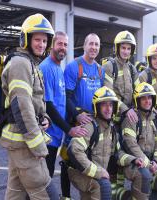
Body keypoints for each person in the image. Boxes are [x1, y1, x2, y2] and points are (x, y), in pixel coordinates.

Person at [0, 13, 58, 199]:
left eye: (44, 40)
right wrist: (38, 147)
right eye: (37, 39)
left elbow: (35, 102)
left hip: (20, 141)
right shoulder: (20, 64)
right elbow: (22, 108)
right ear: (26, 39)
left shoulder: (31, 63)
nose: (41, 44)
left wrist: (45, 117)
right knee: (46, 192)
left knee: (16, 192)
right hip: (25, 143)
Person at [39, 31, 88, 199]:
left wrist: (76, 116)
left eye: (66, 44)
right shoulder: (46, 68)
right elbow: (49, 106)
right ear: (52, 45)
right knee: (42, 180)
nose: (63, 47)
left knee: (46, 176)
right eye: (60, 43)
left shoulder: (58, 69)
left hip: (54, 137)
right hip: (46, 137)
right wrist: (69, 130)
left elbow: (62, 101)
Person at [66, 86, 136, 200]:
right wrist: (97, 172)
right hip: (79, 172)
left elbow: (118, 154)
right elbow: (73, 150)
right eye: (104, 105)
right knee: (102, 185)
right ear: (96, 107)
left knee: (102, 187)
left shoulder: (111, 128)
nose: (108, 109)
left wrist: (133, 159)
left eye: (110, 105)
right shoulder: (90, 126)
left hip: (94, 174)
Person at [61, 33, 104, 197]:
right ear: (84, 46)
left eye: (97, 45)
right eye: (91, 44)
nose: (94, 47)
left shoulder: (100, 70)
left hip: (93, 124)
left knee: (88, 159)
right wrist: (77, 115)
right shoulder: (74, 66)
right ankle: (65, 195)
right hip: (75, 122)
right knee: (68, 160)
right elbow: (66, 97)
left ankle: (86, 194)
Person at [120, 82, 157, 200]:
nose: (147, 101)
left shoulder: (154, 118)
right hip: (133, 161)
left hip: (150, 161)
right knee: (144, 175)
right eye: (143, 98)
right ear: (137, 100)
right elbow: (130, 145)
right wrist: (148, 163)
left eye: (149, 98)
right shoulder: (131, 118)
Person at [103, 30, 139, 123]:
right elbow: (109, 94)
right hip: (113, 117)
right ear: (117, 48)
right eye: (123, 48)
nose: (126, 51)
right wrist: (125, 109)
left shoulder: (132, 69)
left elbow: (138, 91)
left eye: (128, 48)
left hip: (129, 114)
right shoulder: (109, 66)